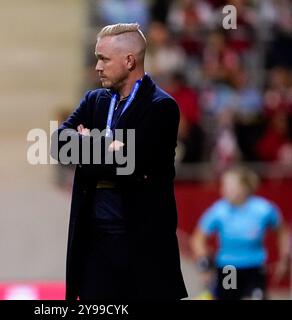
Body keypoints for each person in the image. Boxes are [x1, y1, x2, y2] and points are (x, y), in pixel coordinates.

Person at [51, 23, 187, 300]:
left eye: (103, 59)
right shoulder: (94, 100)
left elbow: (128, 164)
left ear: (129, 60)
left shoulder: (162, 107)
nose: (97, 67)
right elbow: (57, 145)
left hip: (141, 247)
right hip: (94, 246)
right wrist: (106, 146)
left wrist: (87, 144)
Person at [191, 166, 291, 300]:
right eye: (223, 185)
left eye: (229, 186)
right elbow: (198, 239)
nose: (224, 190)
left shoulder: (263, 209)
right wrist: (204, 265)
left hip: (254, 268)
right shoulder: (219, 210)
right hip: (229, 269)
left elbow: (283, 231)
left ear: (244, 187)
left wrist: (284, 259)